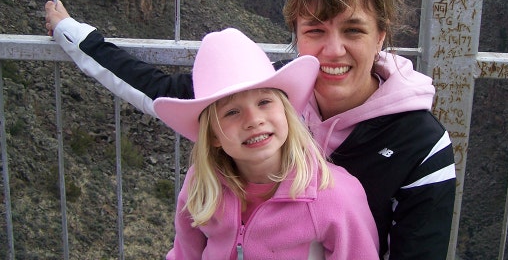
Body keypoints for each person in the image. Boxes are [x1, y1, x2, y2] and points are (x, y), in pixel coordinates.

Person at [45, 0, 456, 258]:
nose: (333, 50)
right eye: (315, 31)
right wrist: (73, 33)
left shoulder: (420, 142)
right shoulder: (262, 93)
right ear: (296, 34)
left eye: (353, 30)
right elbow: (153, 86)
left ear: (381, 35)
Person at [157, 27, 379, 259]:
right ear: (213, 136)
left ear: (286, 112)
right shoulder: (201, 185)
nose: (253, 121)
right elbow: (185, 253)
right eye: (232, 112)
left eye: (264, 102)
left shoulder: (332, 195)